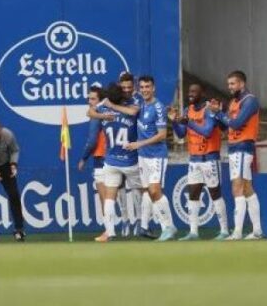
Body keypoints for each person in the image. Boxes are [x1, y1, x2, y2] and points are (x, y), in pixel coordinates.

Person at [170, 83, 229, 240]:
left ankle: (224, 230)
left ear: (202, 93)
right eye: (189, 91)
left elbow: (208, 131)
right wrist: (175, 121)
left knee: (215, 193)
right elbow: (181, 134)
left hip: (210, 158)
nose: (190, 94)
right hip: (194, 159)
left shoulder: (209, 109)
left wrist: (188, 121)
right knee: (193, 194)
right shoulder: (187, 110)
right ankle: (193, 232)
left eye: (194, 91)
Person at [121, 76, 177, 241]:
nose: (145, 90)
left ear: (154, 88)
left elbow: (161, 135)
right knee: (148, 192)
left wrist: (139, 143)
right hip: (143, 156)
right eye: (143, 87)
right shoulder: (141, 103)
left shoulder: (158, 108)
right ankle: (154, 227)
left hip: (156, 156)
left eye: (148, 87)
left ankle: (168, 227)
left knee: (154, 190)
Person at [211, 70, 264, 240]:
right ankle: (257, 231)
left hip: (243, 146)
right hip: (234, 147)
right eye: (229, 84)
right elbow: (226, 128)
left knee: (237, 186)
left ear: (242, 83)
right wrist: (216, 114)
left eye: (233, 83)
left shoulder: (250, 101)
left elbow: (236, 123)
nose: (230, 87)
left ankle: (237, 232)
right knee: (247, 188)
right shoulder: (234, 102)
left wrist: (220, 114)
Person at [91, 83, 140, 242]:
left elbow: (90, 111)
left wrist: (104, 113)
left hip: (111, 160)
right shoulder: (129, 110)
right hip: (130, 160)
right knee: (145, 192)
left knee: (110, 198)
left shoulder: (104, 108)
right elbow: (134, 111)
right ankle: (144, 224)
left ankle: (110, 232)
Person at [78, 86, 111, 237]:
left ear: (100, 100)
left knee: (105, 198)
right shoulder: (107, 113)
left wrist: (83, 158)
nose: (90, 101)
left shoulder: (97, 114)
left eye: (93, 99)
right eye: (89, 98)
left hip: (101, 159)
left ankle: (109, 231)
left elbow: (92, 141)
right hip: (114, 158)